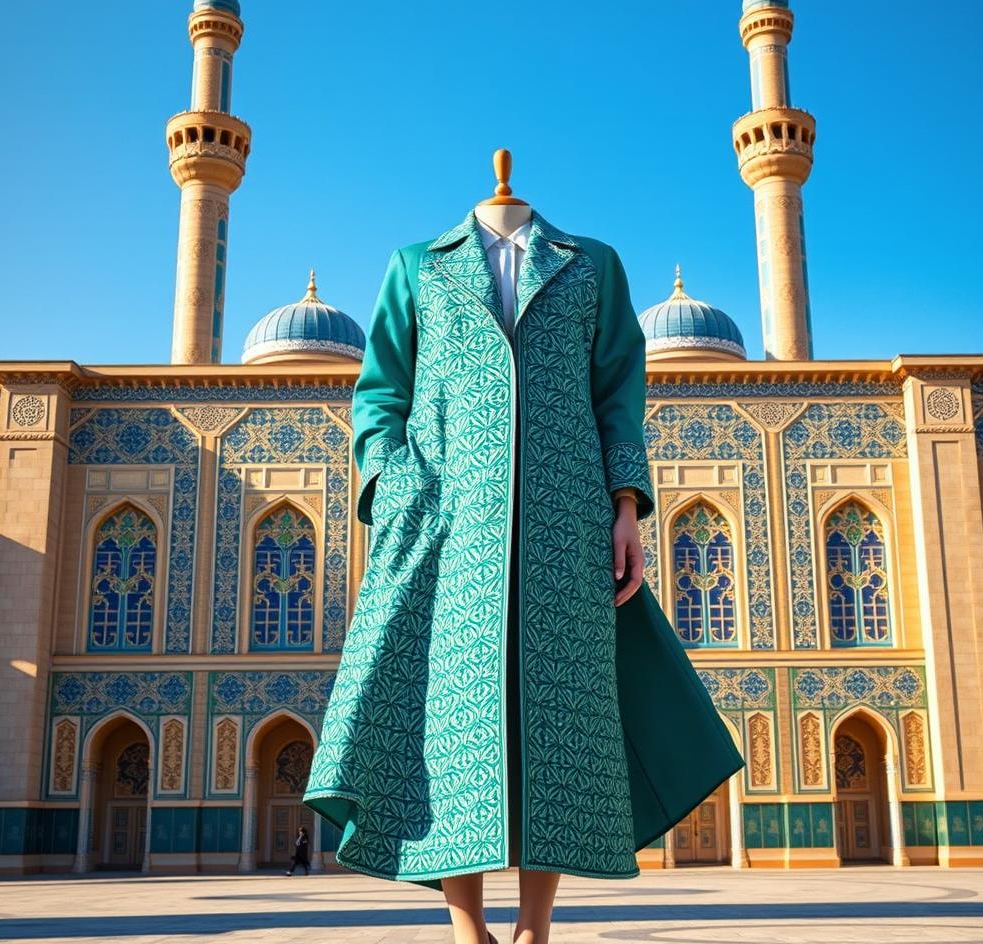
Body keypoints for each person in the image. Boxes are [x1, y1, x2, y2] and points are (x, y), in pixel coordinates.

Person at [303, 209, 744, 944]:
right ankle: (465, 926)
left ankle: (535, 927)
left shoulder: (590, 263)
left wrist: (626, 505)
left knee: (560, 718)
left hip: (564, 523)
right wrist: (392, 480)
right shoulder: (418, 265)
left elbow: (616, 397)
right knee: (453, 724)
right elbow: (380, 392)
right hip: (447, 522)